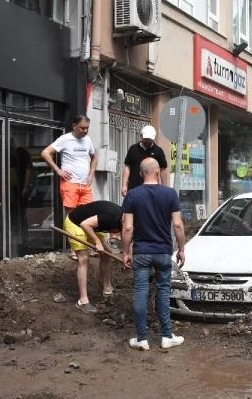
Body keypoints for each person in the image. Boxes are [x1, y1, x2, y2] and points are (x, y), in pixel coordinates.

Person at [121, 158, 185, 351]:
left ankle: (141, 338)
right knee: (164, 291)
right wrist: (181, 249)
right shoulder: (170, 194)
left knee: (141, 291)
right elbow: (177, 225)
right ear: (158, 171)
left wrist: (126, 252)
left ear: (140, 174)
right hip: (163, 252)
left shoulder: (132, 195)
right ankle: (166, 336)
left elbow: (128, 228)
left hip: (141, 252)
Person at [41, 115, 97, 260]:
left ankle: (89, 247)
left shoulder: (88, 140)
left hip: (84, 184)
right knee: (72, 216)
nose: (85, 131)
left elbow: (94, 156)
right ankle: (74, 249)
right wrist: (58, 170)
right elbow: (45, 153)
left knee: (88, 216)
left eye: (87, 128)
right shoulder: (65, 139)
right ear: (74, 126)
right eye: (82, 128)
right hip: (70, 184)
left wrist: (91, 174)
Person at [65, 200, 122, 313]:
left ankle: (107, 289)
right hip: (75, 222)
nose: (118, 236)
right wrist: (97, 242)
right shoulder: (111, 218)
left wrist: (127, 255)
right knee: (83, 258)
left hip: (89, 225)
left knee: (107, 253)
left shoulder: (127, 222)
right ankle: (83, 301)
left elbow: (127, 241)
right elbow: (84, 224)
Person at [121, 125, 168, 196]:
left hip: (152, 191)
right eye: (146, 139)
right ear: (142, 137)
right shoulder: (133, 149)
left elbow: (163, 170)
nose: (148, 141)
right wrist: (124, 185)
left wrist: (164, 188)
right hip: (134, 188)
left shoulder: (158, 151)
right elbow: (127, 167)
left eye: (150, 139)